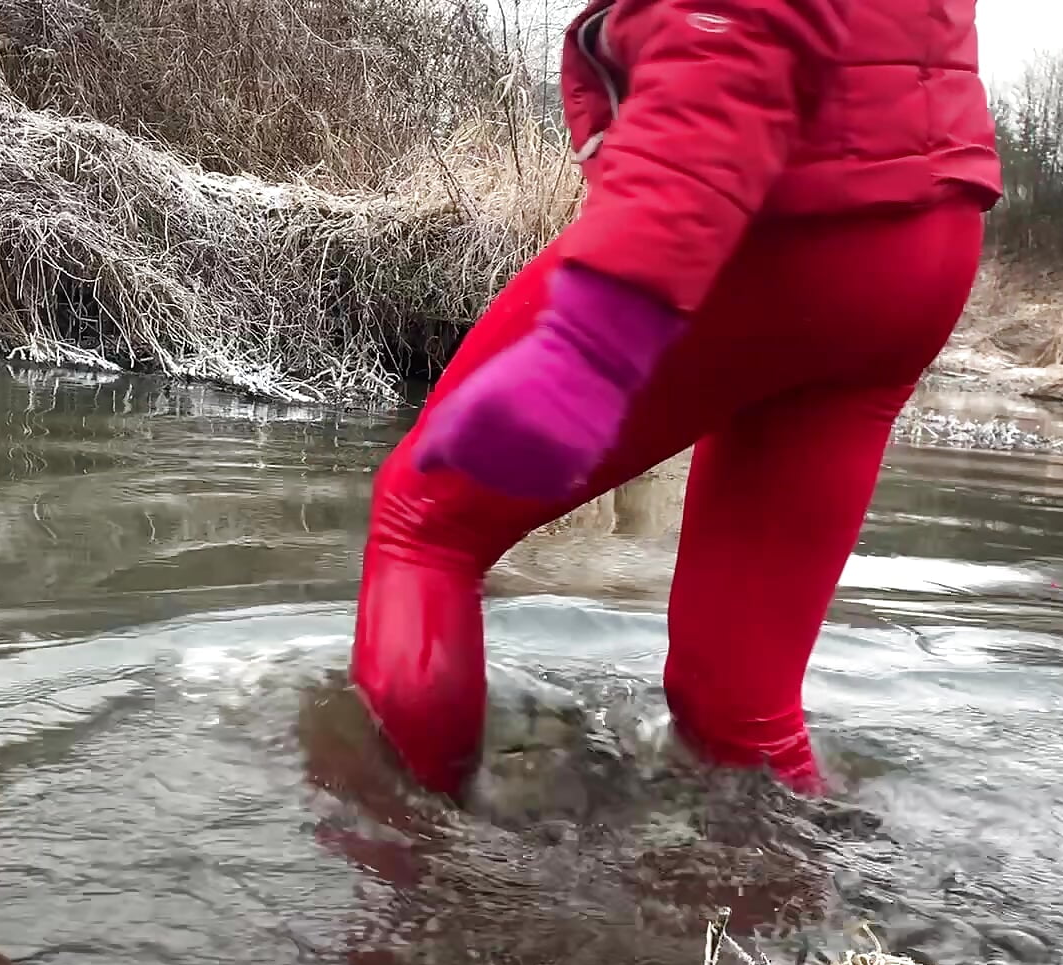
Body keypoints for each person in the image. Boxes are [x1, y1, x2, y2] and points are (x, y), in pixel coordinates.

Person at [350, 0, 1002, 800]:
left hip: (769, 224)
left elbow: (733, 30)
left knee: (425, 523)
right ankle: (784, 904)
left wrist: (599, 334)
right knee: (739, 704)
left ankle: (413, 894)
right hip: (921, 244)